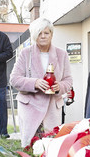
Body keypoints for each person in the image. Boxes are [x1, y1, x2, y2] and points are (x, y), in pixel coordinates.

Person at [10, 18, 73, 147]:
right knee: (31, 148)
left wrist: (59, 87)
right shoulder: (25, 53)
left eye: (46, 33)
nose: (43, 36)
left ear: (52, 34)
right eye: (39, 33)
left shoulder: (62, 55)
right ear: (34, 35)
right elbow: (14, 79)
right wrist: (35, 83)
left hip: (52, 109)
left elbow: (68, 80)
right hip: (30, 108)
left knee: (51, 147)